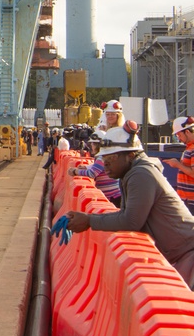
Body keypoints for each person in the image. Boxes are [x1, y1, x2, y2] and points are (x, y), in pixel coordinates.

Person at [65, 121, 194, 289]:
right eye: (104, 158)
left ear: (131, 155)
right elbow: (126, 215)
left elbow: (131, 220)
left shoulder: (141, 174)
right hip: (181, 253)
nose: (106, 164)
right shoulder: (133, 172)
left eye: (111, 158)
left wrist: (89, 220)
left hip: (187, 253)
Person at [70, 129, 121, 207]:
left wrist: (75, 172)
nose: (91, 147)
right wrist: (86, 167)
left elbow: (92, 173)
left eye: (92, 144)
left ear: (97, 145)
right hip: (114, 196)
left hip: (112, 197)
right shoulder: (104, 156)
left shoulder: (101, 157)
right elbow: (98, 167)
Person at [164, 115, 194, 212]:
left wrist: (177, 164)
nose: (179, 138)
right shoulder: (189, 148)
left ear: (187, 132)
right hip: (187, 199)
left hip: (191, 200)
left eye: (179, 135)